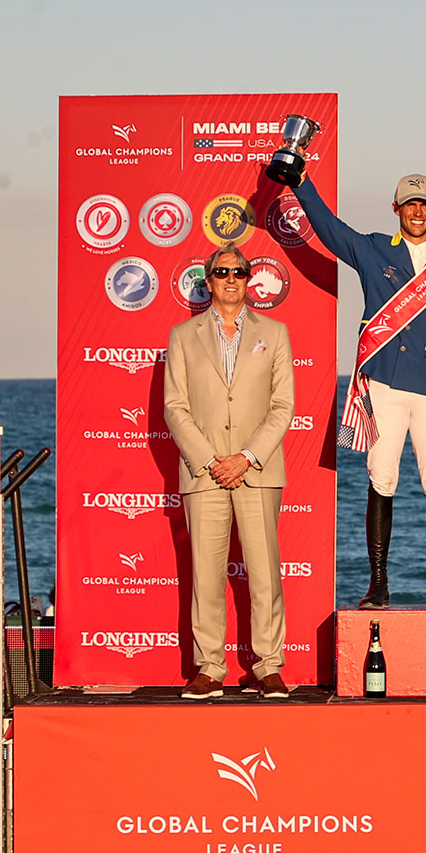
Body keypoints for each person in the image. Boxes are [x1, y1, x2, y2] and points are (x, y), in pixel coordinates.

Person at [291, 168, 426, 609]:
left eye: (425, 204)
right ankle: (378, 584)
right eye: (410, 204)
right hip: (383, 384)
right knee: (382, 478)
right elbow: (330, 229)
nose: (418, 211)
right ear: (396, 209)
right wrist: (300, 183)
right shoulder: (374, 248)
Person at [161, 244, 295, 699]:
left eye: (239, 272)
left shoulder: (274, 333)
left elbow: (283, 406)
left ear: (249, 278)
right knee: (206, 575)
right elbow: (175, 407)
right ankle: (209, 667)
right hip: (205, 474)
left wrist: (246, 457)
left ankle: (268, 665)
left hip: (258, 470)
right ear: (209, 280)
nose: (231, 279)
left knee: (265, 574)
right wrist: (211, 460)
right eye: (222, 273)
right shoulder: (183, 336)